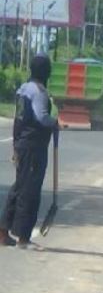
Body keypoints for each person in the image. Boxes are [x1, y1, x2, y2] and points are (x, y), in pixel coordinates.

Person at [0, 54, 58, 248]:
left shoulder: (23, 89)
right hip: (34, 146)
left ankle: (3, 232)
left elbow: (18, 119)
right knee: (30, 191)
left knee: (18, 188)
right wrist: (56, 122)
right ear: (45, 71)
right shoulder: (39, 92)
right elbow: (42, 118)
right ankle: (24, 238)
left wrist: (15, 146)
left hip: (22, 143)